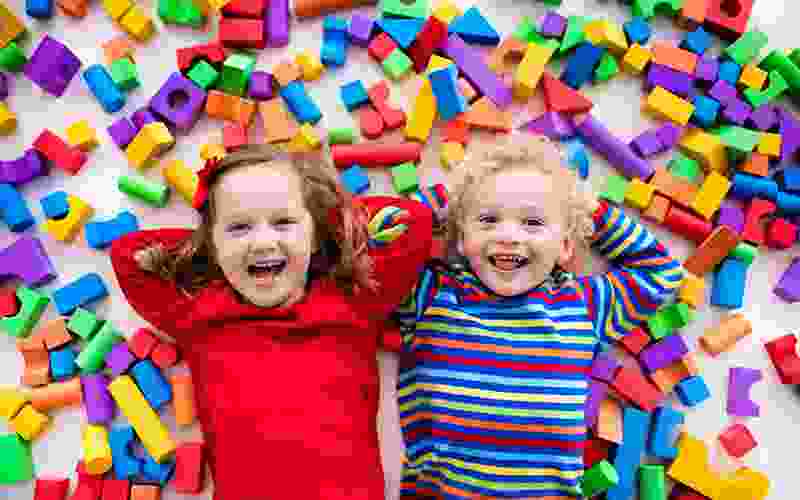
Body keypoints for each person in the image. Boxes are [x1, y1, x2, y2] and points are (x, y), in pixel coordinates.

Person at [110, 144, 434, 500]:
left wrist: (325, 220)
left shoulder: (352, 300)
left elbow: (413, 221)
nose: (263, 242)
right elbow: (126, 255)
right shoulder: (200, 315)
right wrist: (209, 248)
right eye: (239, 227)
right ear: (212, 246)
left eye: (283, 222)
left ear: (315, 235)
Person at [388, 135, 685, 499]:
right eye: (488, 219)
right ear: (462, 239)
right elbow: (368, 249)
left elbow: (661, 272)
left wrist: (588, 208)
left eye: (532, 222)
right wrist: (448, 199)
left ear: (565, 246)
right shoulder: (432, 295)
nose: (508, 236)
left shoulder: (581, 305)